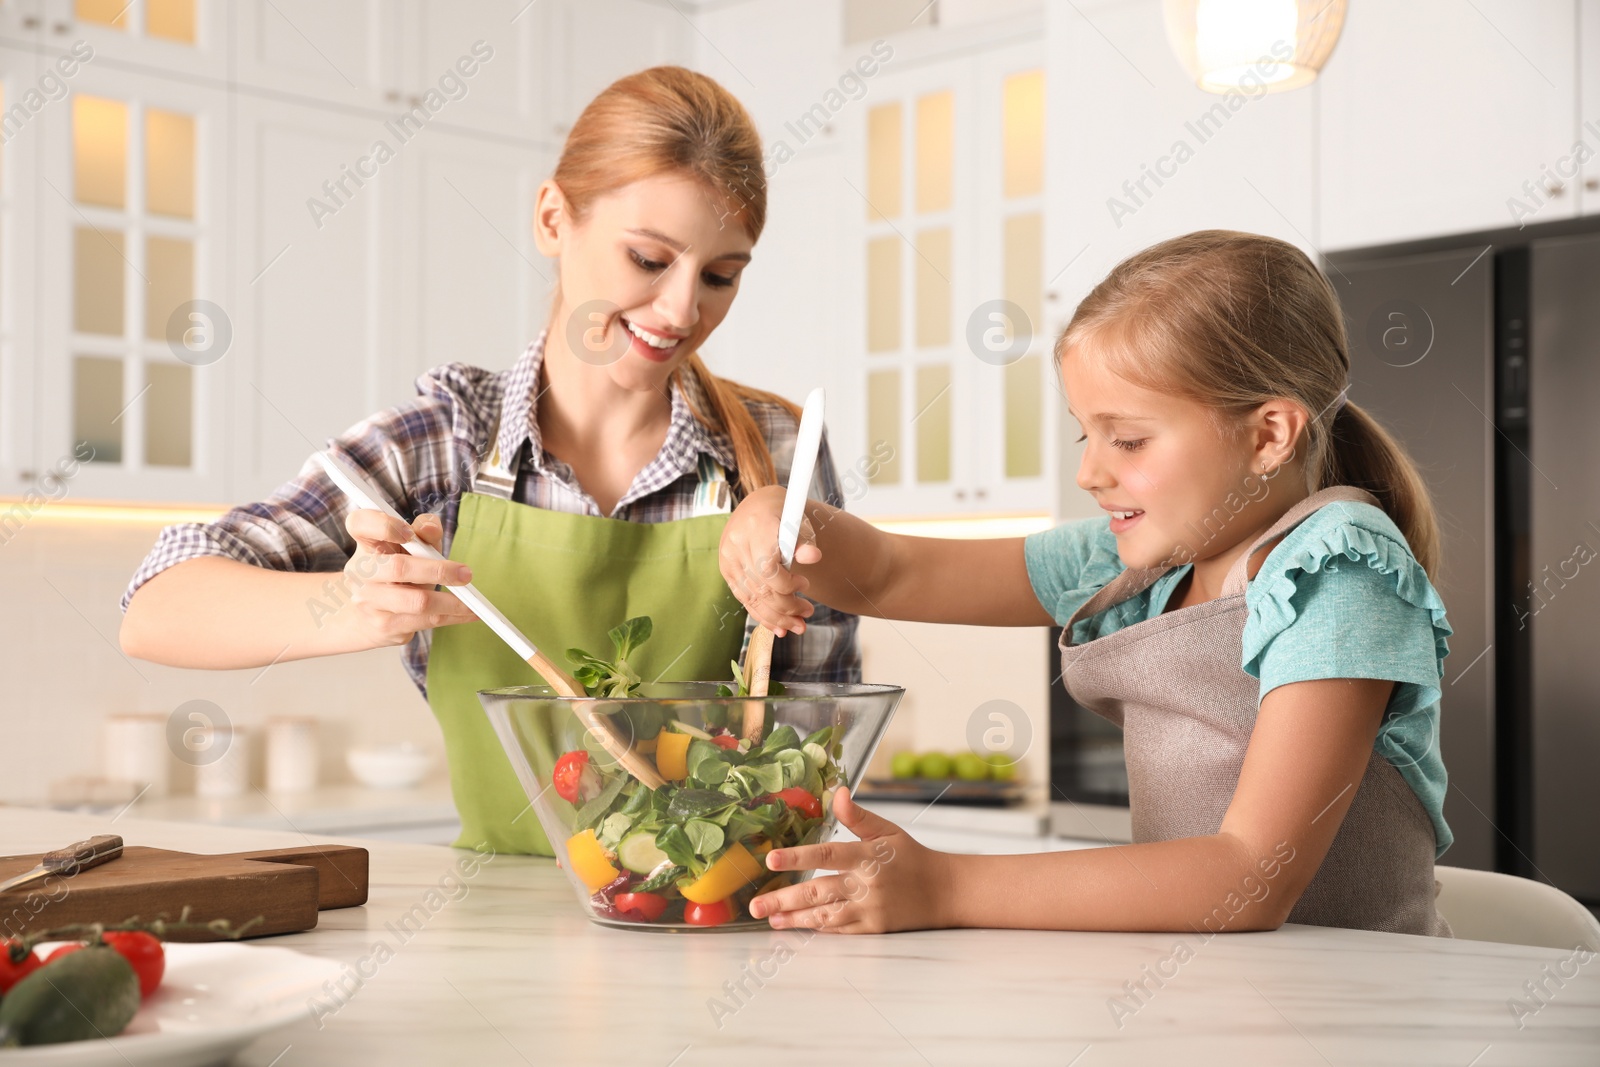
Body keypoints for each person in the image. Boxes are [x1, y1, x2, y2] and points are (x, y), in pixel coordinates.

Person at [119, 66, 860, 856]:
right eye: (649, 259)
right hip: (490, 926)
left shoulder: (776, 452)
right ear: (552, 218)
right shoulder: (443, 443)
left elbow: (813, 745)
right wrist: (353, 601)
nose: (683, 310)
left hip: (716, 916)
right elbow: (157, 606)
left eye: (720, 275)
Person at [721, 230, 1454, 936]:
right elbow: (889, 572)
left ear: (1268, 435)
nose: (1089, 472)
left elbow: (1248, 874)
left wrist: (944, 884)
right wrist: (778, 516)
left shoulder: (1338, 569)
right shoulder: (1135, 560)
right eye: (1085, 434)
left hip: (1350, 1010)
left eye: (1128, 439)